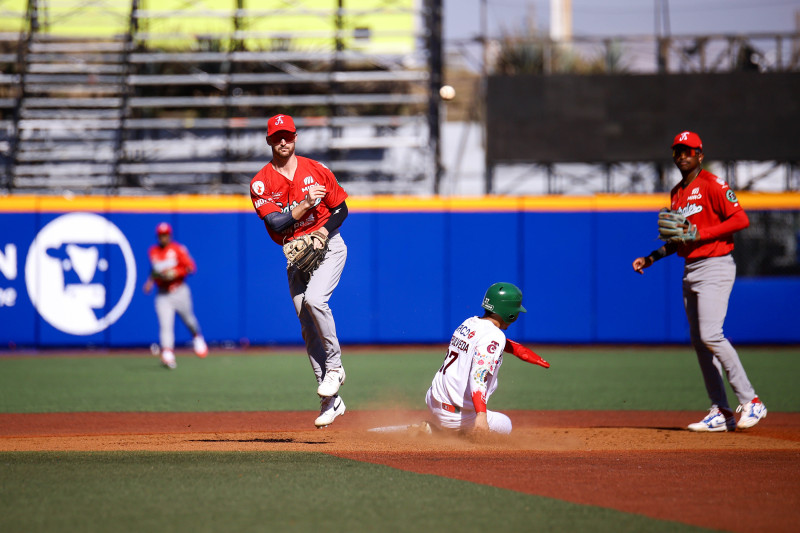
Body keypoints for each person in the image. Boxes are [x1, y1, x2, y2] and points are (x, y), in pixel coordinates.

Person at [632, 131, 767, 432]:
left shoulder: (713, 184)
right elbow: (679, 240)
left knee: (711, 334)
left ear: (700, 155)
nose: (683, 156)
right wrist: (651, 258)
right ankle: (721, 410)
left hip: (716, 264)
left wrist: (701, 234)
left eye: (688, 151)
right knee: (700, 342)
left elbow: (741, 219)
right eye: (678, 151)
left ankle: (751, 400)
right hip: (691, 268)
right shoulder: (677, 193)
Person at [249, 113, 350, 428]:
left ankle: (335, 369)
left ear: (295, 138)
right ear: (269, 141)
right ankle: (330, 402)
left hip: (329, 245)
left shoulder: (317, 170)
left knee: (315, 301)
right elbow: (275, 223)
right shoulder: (261, 182)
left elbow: (341, 208)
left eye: (288, 135)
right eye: (277, 136)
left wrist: (321, 231)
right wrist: (305, 205)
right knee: (308, 327)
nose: (283, 141)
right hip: (297, 257)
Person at [426, 282, 549, 435]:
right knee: (505, 425)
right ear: (509, 312)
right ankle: (443, 432)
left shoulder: (469, 322)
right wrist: (481, 415)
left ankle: (440, 427)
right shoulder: (494, 336)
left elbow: (483, 341)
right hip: (456, 415)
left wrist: (519, 351)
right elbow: (478, 375)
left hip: (434, 400)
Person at [143, 222, 208, 369]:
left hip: (179, 290)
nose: (163, 237)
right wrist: (150, 281)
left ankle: (197, 337)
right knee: (165, 325)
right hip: (163, 294)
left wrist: (175, 273)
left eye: (165, 234)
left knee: (189, 320)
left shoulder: (178, 249)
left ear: (170, 235)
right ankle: (167, 354)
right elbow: (154, 270)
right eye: (161, 235)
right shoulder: (153, 251)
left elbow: (191, 267)